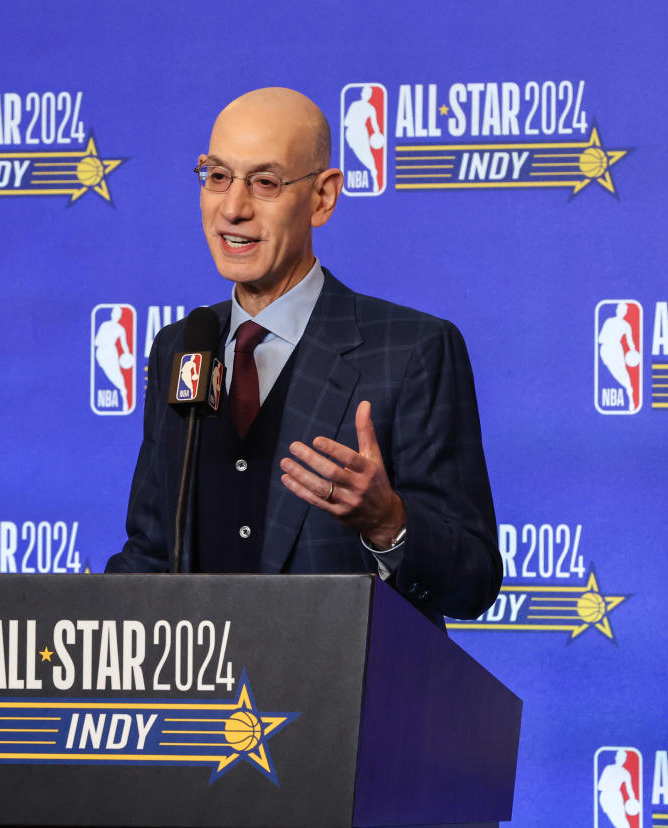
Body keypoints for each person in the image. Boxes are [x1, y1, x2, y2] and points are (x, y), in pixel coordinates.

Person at [105, 88, 501, 626]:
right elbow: (151, 554)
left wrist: (389, 524)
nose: (233, 208)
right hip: (199, 705)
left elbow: (473, 581)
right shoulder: (180, 346)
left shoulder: (411, 350)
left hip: (340, 699)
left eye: (265, 182)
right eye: (217, 176)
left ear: (322, 197)